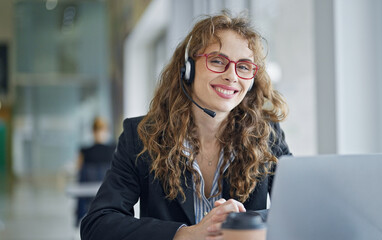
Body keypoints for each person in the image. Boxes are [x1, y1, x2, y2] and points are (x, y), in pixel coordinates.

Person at [80, 11, 291, 240]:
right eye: (218, 61)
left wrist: (241, 224)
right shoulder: (142, 136)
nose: (232, 76)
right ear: (188, 68)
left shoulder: (267, 136)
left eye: (244, 66)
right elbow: (97, 225)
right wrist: (185, 234)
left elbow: (298, 210)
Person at [75, 117, 115, 226]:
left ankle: (79, 221)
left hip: (88, 196)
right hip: (107, 195)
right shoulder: (113, 149)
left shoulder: (85, 151)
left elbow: (78, 170)